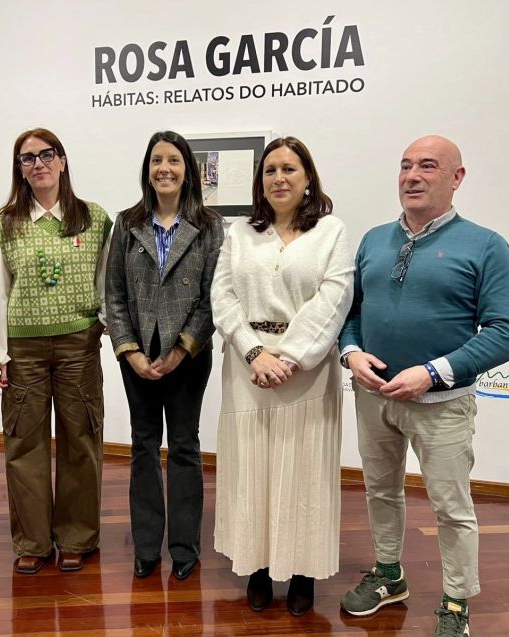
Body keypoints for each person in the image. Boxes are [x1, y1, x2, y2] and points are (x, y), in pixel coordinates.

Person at [338, 135, 509, 636]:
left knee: (451, 508)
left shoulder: (486, 245)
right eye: (405, 166)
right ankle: (389, 575)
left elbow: (507, 333)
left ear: (456, 177)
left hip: (442, 403)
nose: (412, 176)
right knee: (380, 490)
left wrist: (433, 372)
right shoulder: (374, 239)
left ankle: (456, 603)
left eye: (427, 166)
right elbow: (351, 313)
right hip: (373, 397)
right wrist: (351, 353)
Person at [211, 136, 354, 616]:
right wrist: (255, 353)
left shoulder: (331, 232)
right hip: (247, 368)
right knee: (251, 471)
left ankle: (302, 572)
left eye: (289, 169)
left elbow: (335, 297)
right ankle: (256, 566)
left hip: (307, 372)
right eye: (270, 170)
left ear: (307, 177)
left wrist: (289, 357)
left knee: (304, 474)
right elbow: (222, 297)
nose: (279, 178)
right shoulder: (240, 233)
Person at [0, 128, 112, 575]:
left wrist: (104, 329)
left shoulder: (94, 218)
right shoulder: (6, 222)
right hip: (24, 350)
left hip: (79, 345)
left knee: (81, 441)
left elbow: (106, 281)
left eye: (46, 154)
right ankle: (33, 541)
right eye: (27, 158)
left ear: (62, 161)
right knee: (24, 444)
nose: (38, 164)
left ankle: (76, 537)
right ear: (20, 169)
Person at [106, 130, 224, 581]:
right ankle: (146, 547)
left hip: (188, 357)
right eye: (157, 160)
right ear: (147, 169)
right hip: (137, 357)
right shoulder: (127, 223)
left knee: (185, 446)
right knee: (142, 446)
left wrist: (181, 348)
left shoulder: (209, 226)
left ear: (187, 170)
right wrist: (129, 351)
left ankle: (184, 546)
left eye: (173, 160)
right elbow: (114, 294)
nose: (164, 169)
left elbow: (213, 298)